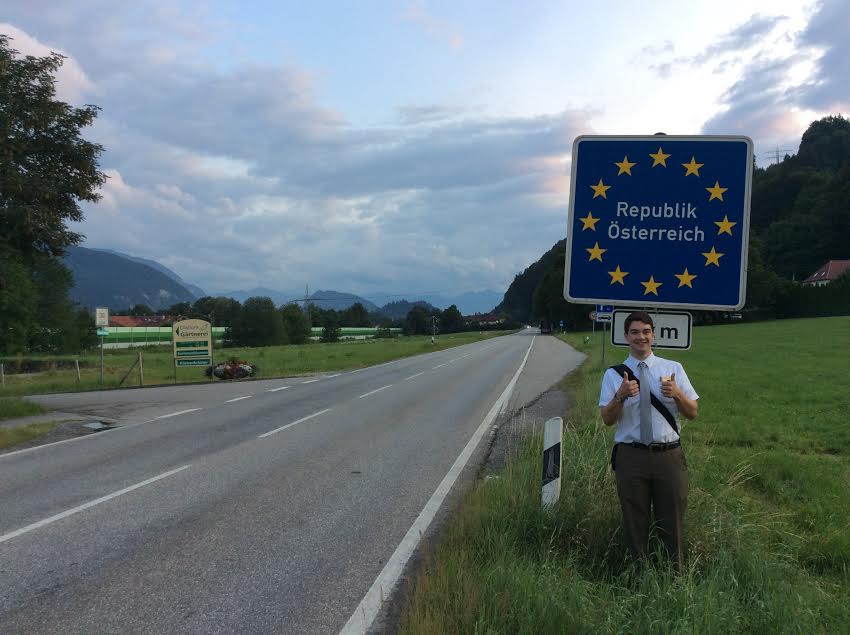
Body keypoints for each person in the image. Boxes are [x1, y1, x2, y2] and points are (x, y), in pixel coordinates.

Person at [598, 310, 698, 568]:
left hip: (669, 455)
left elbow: (692, 412)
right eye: (634, 332)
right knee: (634, 522)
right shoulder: (613, 375)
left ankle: (675, 576)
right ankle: (639, 576)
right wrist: (620, 396)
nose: (640, 337)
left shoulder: (673, 369)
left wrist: (677, 394)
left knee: (673, 521)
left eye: (645, 332)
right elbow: (607, 419)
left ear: (653, 335)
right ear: (626, 337)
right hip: (631, 456)